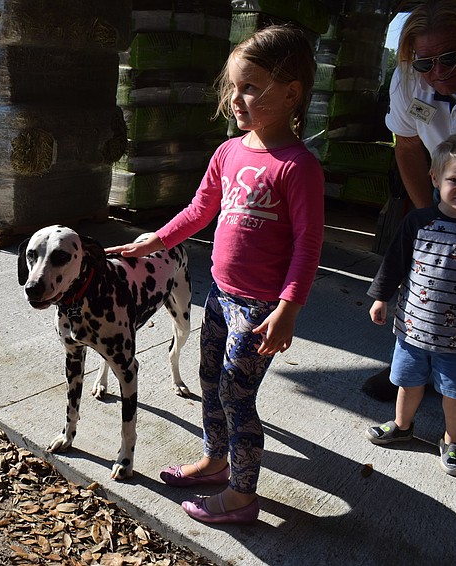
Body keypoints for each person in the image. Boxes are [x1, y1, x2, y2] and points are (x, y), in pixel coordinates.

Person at [105, 25, 323, 524]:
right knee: (209, 379)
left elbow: (308, 245)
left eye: (251, 88)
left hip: (261, 308)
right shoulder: (228, 152)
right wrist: (155, 241)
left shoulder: (298, 167)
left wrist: (289, 308)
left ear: (291, 94)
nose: (236, 99)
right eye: (234, 87)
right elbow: (200, 210)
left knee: (235, 393)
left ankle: (242, 496)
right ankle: (216, 458)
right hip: (220, 297)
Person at [362, 0, 456, 438]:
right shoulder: (409, 77)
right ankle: (413, 368)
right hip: (443, 186)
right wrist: (431, 217)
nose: (438, 72)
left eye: (452, 57)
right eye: (426, 62)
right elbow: (408, 145)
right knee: (432, 278)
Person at [364, 129, 456, 477]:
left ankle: (452, 440)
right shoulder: (418, 221)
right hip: (413, 329)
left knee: (455, 394)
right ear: (435, 178)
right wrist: (381, 297)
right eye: (455, 180)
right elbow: (394, 263)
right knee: (407, 382)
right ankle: (402, 426)